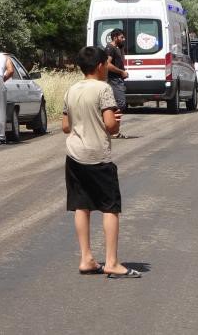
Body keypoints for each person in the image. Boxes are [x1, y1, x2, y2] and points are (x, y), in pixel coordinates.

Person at [62, 46, 140, 278]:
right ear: (99, 66)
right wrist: (116, 121)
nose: (107, 67)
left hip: (74, 155)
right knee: (110, 208)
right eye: (106, 64)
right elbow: (110, 126)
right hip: (97, 155)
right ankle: (112, 262)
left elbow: (66, 127)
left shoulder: (72, 89)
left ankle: (86, 258)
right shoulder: (104, 89)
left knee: (81, 205)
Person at [105, 29, 129, 138]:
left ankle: (114, 131)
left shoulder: (117, 48)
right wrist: (121, 72)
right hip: (114, 80)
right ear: (115, 38)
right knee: (120, 104)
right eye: (121, 37)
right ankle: (114, 132)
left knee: (118, 105)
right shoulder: (110, 48)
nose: (124, 39)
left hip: (118, 80)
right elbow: (107, 65)